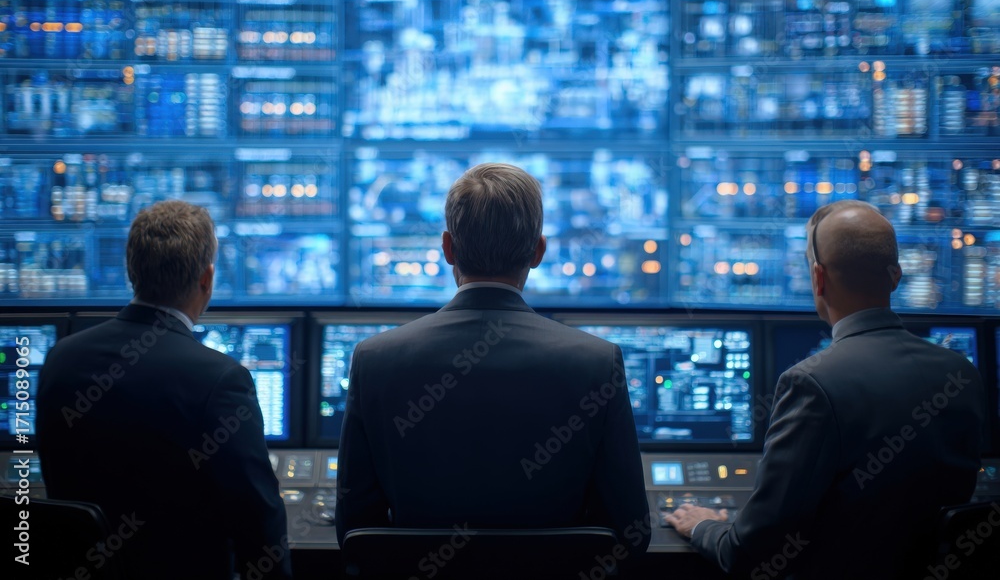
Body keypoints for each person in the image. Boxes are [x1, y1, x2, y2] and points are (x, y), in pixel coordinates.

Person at [335, 163, 651, 559]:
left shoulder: (374, 359)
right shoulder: (597, 361)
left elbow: (355, 529)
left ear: (448, 248)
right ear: (538, 251)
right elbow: (630, 531)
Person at [666, 200, 986, 579]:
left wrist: (702, 525)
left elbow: (750, 551)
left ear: (818, 278)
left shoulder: (812, 383)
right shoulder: (962, 373)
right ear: (897, 276)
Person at [37, 200, 291, 580]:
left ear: (130, 271)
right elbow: (258, 525)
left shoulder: (60, 359)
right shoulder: (220, 379)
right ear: (206, 279)